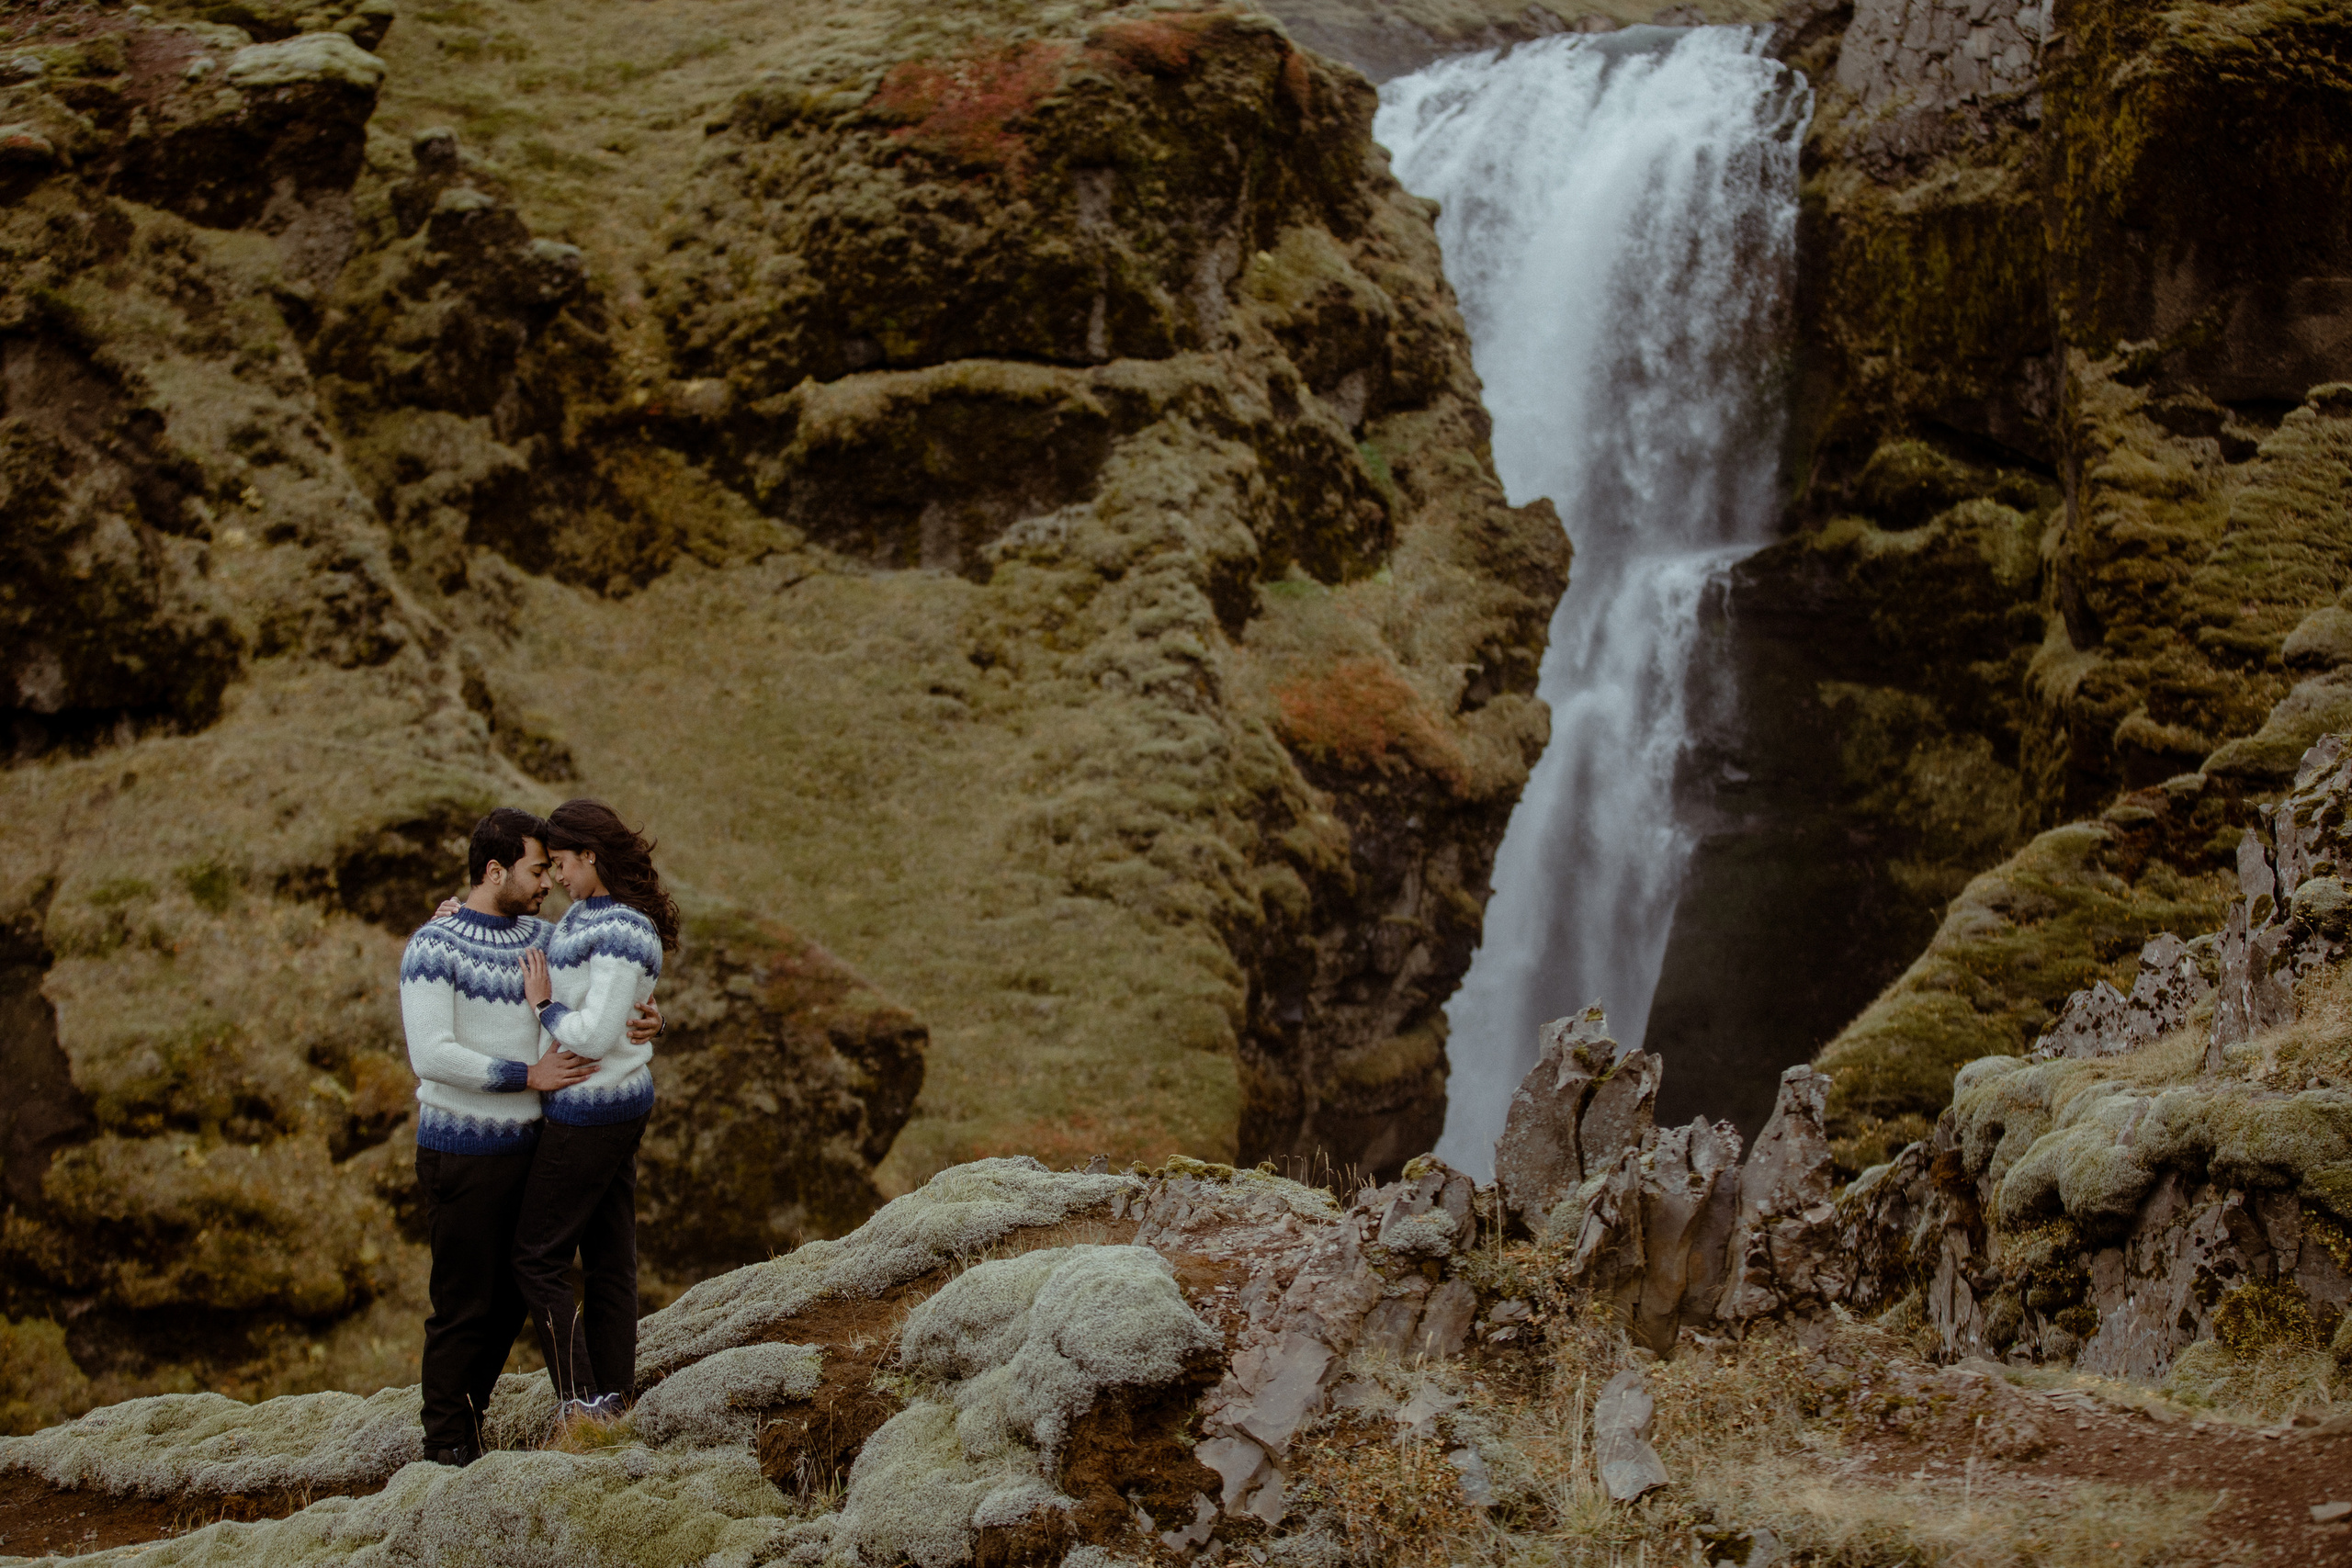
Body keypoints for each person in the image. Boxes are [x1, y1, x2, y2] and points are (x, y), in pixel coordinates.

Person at [401, 808, 666, 1465]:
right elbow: (430, 1054)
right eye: (537, 869)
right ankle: (445, 1448)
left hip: (528, 1147)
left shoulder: (545, 935)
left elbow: (600, 986)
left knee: (509, 1302)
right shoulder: (434, 947)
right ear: (496, 871)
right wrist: (527, 1075)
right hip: (461, 1153)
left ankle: (478, 1426)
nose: (548, 880)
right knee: (462, 1307)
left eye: (553, 867)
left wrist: (651, 1017)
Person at [513, 798, 677, 1426]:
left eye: (561, 863)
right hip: (608, 1103)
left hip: (591, 1111)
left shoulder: (623, 930)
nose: (556, 876)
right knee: (610, 1256)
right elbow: (623, 1004)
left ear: (591, 854)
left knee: (536, 1256)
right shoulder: (585, 915)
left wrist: (544, 1006)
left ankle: (581, 1400)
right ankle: (615, 1395)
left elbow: (598, 1032)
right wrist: (453, 915)